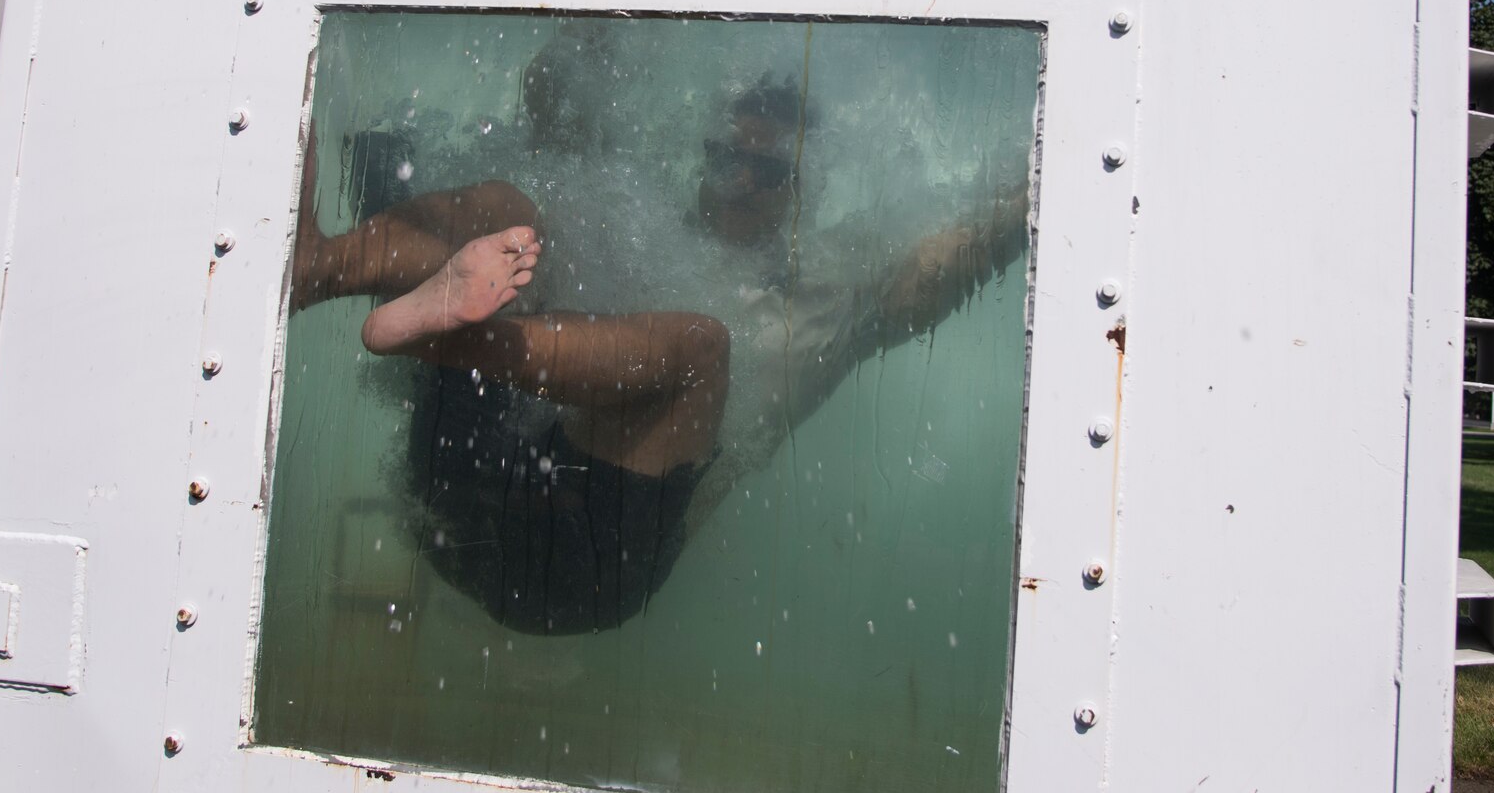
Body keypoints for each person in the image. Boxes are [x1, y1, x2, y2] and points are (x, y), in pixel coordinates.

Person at [288, 83, 1027, 634]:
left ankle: (441, 335)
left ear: (807, 185)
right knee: (518, 213)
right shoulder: (634, 223)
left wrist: (1049, 182)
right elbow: (559, 83)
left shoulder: (837, 295)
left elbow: (951, 255)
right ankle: (318, 269)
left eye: (764, 170)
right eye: (724, 156)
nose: (735, 178)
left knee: (699, 347)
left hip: (580, 567)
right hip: (458, 492)